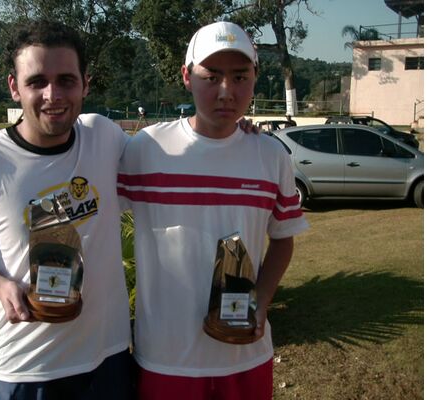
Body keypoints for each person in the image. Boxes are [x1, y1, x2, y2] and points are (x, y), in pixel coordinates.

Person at [0, 21, 133, 400]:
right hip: (28, 366)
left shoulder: (104, 137)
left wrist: (238, 135)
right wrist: (0, 285)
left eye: (66, 80)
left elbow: (173, 151)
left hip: (108, 356)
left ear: (85, 84)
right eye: (37, 81)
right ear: (14, 86)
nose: (52, 95)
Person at [117, 21, 309, 399]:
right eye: (211, 76)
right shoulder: (145, 149)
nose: (226, 91)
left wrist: (262, 302)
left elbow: (283, 239)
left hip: (246, 355)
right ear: (186, 76)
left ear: (255, 78)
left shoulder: (270, 155)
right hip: (165, 358)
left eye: (240, 77)